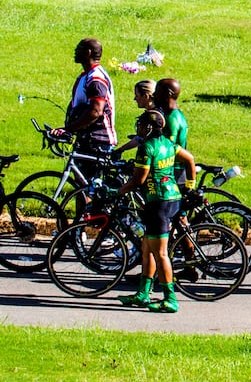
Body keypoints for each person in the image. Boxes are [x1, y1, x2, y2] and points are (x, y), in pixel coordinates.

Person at [116, 110, 196, 313]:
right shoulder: (169, 144)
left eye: (141, 125)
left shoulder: (146, 148)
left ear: (149, 127)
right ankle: (143, 294)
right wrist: (190, 184)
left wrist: (116, 192)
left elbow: (138, 180)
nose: (139, 128)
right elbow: (189, 159)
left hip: (157, 203)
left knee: (160, 253)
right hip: (172, 199)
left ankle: (170, 298)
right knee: (146, 247)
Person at [55, 38, 117, 156]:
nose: (75, 51)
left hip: (98, 140)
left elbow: (96, 111)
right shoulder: (88, 76)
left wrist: (69, 129)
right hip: (88, 138)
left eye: (79, 48)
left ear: (88, 52)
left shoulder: (95, 78)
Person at [152, 79, 188, 185]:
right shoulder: (171, 114)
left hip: (173, 170)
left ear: (168, 93)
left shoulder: (172, 118)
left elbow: (169, 146)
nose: (154, 95)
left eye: (157, 91)